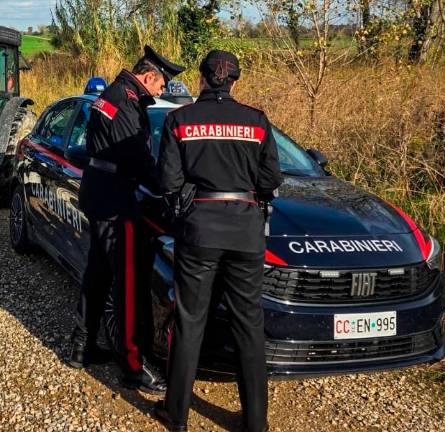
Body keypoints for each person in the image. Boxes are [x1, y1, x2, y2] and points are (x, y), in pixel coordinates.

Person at [152, 50, 283, 431]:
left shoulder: (180, 120)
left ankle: (175, 415)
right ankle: (256, 421)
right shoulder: (257, 121)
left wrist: (194, 189)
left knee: (190, 321)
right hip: (245, 232)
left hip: (199, 231)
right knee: (249, 325)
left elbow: (167, 183)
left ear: (202, 79)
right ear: (235, 82)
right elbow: (270, 179)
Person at [66, 46, 184, 395]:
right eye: (161, 85)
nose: (161, 92)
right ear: (149, 77)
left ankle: (81, 346)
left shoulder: (114, 94)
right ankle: (133, 365)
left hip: (100, 192)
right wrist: (168, 187)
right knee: (129, 282)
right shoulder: (127, 103)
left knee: (99, 274)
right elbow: (139, 161)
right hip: (116, 200)